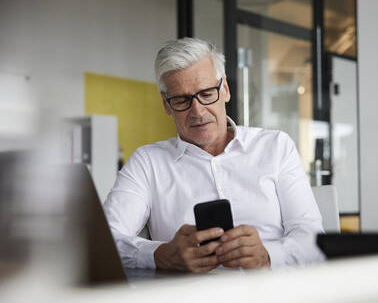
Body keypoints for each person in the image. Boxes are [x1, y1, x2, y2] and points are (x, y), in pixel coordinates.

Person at [104, 37, 325, 273]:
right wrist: (160, 255)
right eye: (181, 100)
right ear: (166, 105)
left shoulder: (276, 146)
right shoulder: (147, 163)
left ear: (225, 90)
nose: (197, 111)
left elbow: (313, 240)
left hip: (273, 298)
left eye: (207, 93)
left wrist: (268, 256)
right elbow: (103, 241)